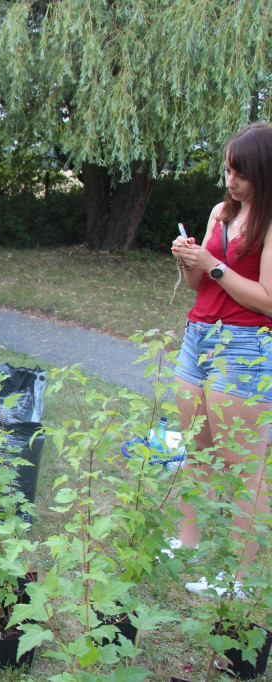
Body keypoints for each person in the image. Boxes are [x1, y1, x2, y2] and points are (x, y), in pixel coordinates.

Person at [170, 121, 272, 600]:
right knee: (199, 449)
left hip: (247, 345)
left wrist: (213, 264)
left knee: (243, 463)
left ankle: (239, 579)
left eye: (239, 173)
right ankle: (188, 543)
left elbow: (267, 299)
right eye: (227, 169)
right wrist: (189, 259)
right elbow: (199, 285)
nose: (228, 181)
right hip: (199, 335)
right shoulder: (220, 212)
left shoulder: (270, 221)